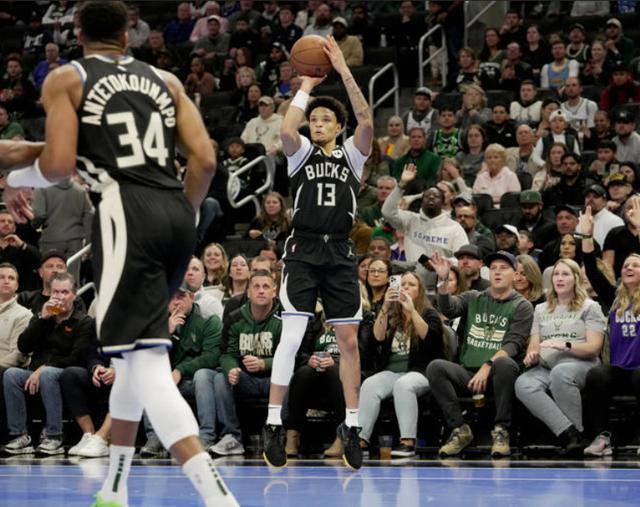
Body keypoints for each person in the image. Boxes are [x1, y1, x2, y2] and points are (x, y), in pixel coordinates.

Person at [2, 2, 239, 505]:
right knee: (133, 355)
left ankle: (219, 497)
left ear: (78, 33)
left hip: (123, 213)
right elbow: (204, 158)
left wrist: (16, 176)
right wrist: (180, 214)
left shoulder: (67, 78)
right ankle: (115, 490)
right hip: (176, 210)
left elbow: (58, 163)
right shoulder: (166, 81)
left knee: (148, 364)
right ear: (128, 37)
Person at [263, 35, 373, 471]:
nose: (319, 124)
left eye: (327, 119)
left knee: (348, 342)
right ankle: (273, 423)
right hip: (304, 251)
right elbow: (286, 130)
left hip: (340, 252)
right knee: (291, 337)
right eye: (315, 119)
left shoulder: (352, 156)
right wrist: (306, 86)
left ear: (338, 127)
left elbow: (366, 121)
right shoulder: (301, 154)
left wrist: (342, 70)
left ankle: (353, 427)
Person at [427, 251, 533, 457]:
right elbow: (448, 309)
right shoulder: (473, 297)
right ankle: (460, 429)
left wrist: (487, 366)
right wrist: (443, 279)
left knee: (505, 364)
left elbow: (513, 345)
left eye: (503, 268)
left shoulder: (522, 306)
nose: (497, 272)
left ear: (515, 274)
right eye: (493, 268)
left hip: (499, 377)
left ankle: (501, 430)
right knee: (436, 367)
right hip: (469, 374)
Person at [516, 258, 605, 455]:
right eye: (556, 274)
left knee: (560, 372)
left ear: (576, 278)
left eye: (565, 274)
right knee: (523, 383)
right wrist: (532, 355)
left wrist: (565, 345)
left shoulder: (590, 307)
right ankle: (570, 434)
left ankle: (578, 431)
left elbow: (594, 348)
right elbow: (534, 343)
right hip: (546, 366)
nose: (559, 278)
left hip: (582, 364)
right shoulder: (540, 309)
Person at [3, 273, 92, 455]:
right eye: (55, 292)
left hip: (66, 372)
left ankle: (54, 436)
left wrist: (45, 367)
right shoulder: (42, 318)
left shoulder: (83, 322)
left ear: (74, 295)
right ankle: (20, 436)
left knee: (48, 374)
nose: (59, 297)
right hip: (36, 372)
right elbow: (23, 346)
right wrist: (42, 319)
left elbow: (78, 357)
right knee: (11, 374)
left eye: (64, 292)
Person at [576, 203, 640, 457]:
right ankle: (603, 436)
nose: (629, 267)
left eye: (636, 265)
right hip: (621, 369)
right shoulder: (614, 298)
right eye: (626, 265)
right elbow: (591, 269)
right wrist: (586, 235)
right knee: (596, 375)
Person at [359, 271, 444, 457]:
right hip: (391, 372)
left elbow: (431, 339)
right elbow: (377, 338)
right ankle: (361, 441)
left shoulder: (429, 313)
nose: (405, 287)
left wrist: (411, 311)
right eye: (402, 284)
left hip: (421, 372)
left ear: (420, 291)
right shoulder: (392, 314)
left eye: (411, 285)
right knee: (369, 384)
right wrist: (385, 306)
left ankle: (407, 442)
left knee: (403, 385)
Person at [212, 270, 281, 456]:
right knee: (220, 378)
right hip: (245, 378)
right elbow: (226, 353)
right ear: (248, 292)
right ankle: (232, 437)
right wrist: (232, 369)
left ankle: (277, 436)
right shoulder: (235, 318)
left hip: (275, 380)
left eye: (266, 286)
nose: (261, 291)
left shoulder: (284, 318)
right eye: (256, 287)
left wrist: (264, 364)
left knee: (292, 378)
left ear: (274, 291)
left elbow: (293, 356)